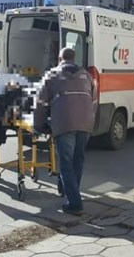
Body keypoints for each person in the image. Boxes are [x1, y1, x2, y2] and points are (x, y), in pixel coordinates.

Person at [34, 48, 96, 216]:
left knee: (66, 163)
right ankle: (70, 192)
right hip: (85, 123)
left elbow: (40, 102)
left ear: (59, 58)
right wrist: (91, 120)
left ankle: (75, 203)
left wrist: (39, 126)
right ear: (74, 58)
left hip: (64, 122)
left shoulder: (53, 75)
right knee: (78, 160)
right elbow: (94, 100)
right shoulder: (86, 75)